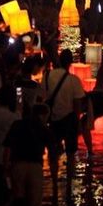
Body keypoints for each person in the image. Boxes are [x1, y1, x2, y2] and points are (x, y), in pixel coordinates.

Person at [40, 49, 85, 187]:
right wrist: (78, 123)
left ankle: (54, 183)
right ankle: (70, 184)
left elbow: (43, 97)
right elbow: (77, 105)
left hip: (52, 120)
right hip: (69, 120)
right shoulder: (74, 80)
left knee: (53, 152)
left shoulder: (47, 76)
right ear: (70, 63)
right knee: (71, 154)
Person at [4, 103, 55, 206]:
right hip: (35, 167)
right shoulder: (43, 128)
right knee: (35, 203)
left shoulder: (17, 124)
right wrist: (53, 174)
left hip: (17, 165)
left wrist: (6, 166)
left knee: (18, 199)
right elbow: (52, 151)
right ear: (43, 115)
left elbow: (8, 147)